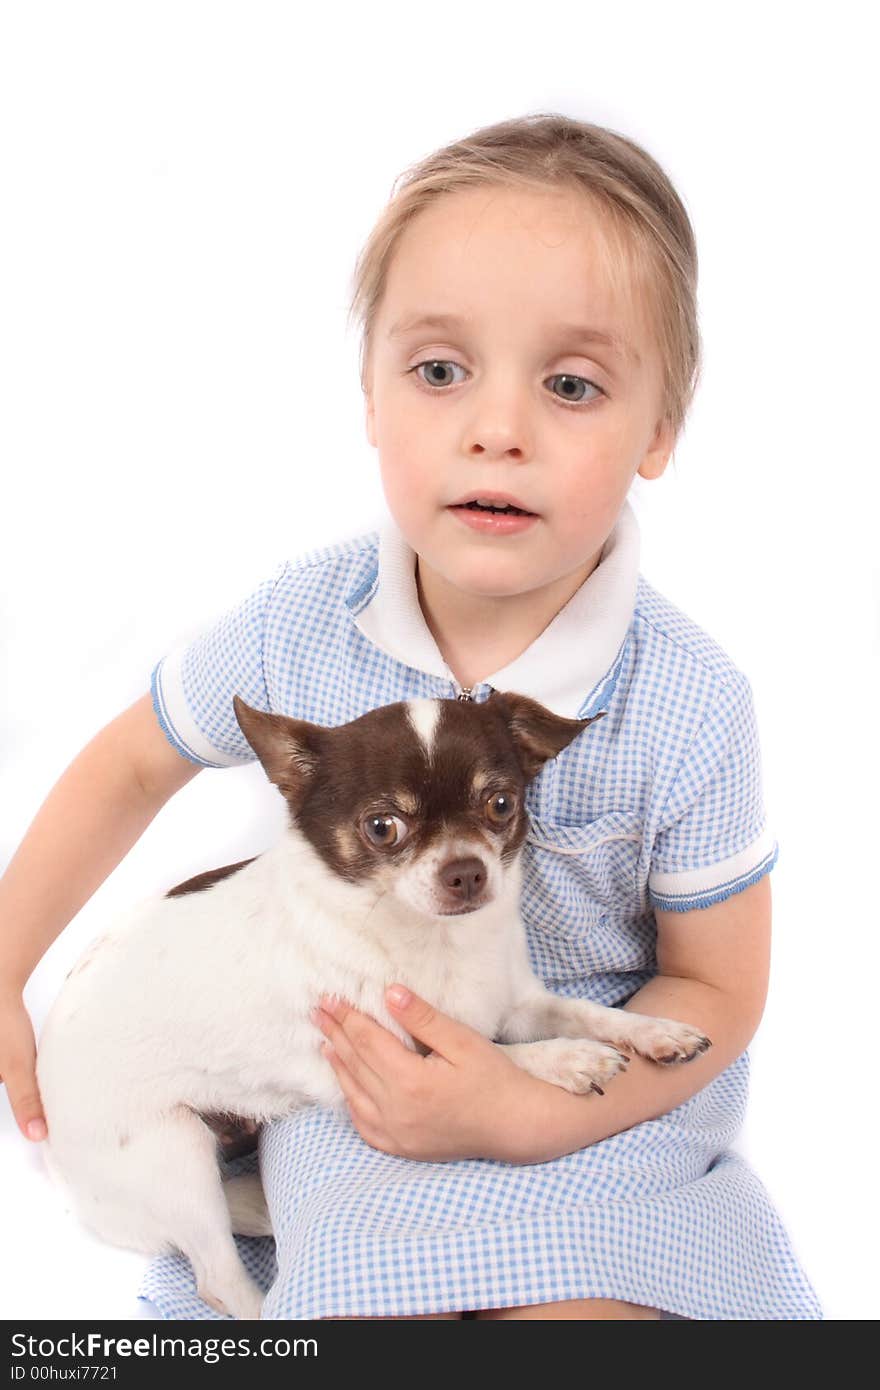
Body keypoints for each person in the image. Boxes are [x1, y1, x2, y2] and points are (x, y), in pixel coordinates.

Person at [0, 112, 822, 1320]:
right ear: (372, 401)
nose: (498, 426)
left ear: (660, 431)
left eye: (571, 383)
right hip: (365, 1095)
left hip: (601, 1105)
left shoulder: (687, 700)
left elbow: (716, 987)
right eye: (441, 371)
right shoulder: (304, 621)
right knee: (363, 1289)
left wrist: (526, 1102)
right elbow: (131, 763)